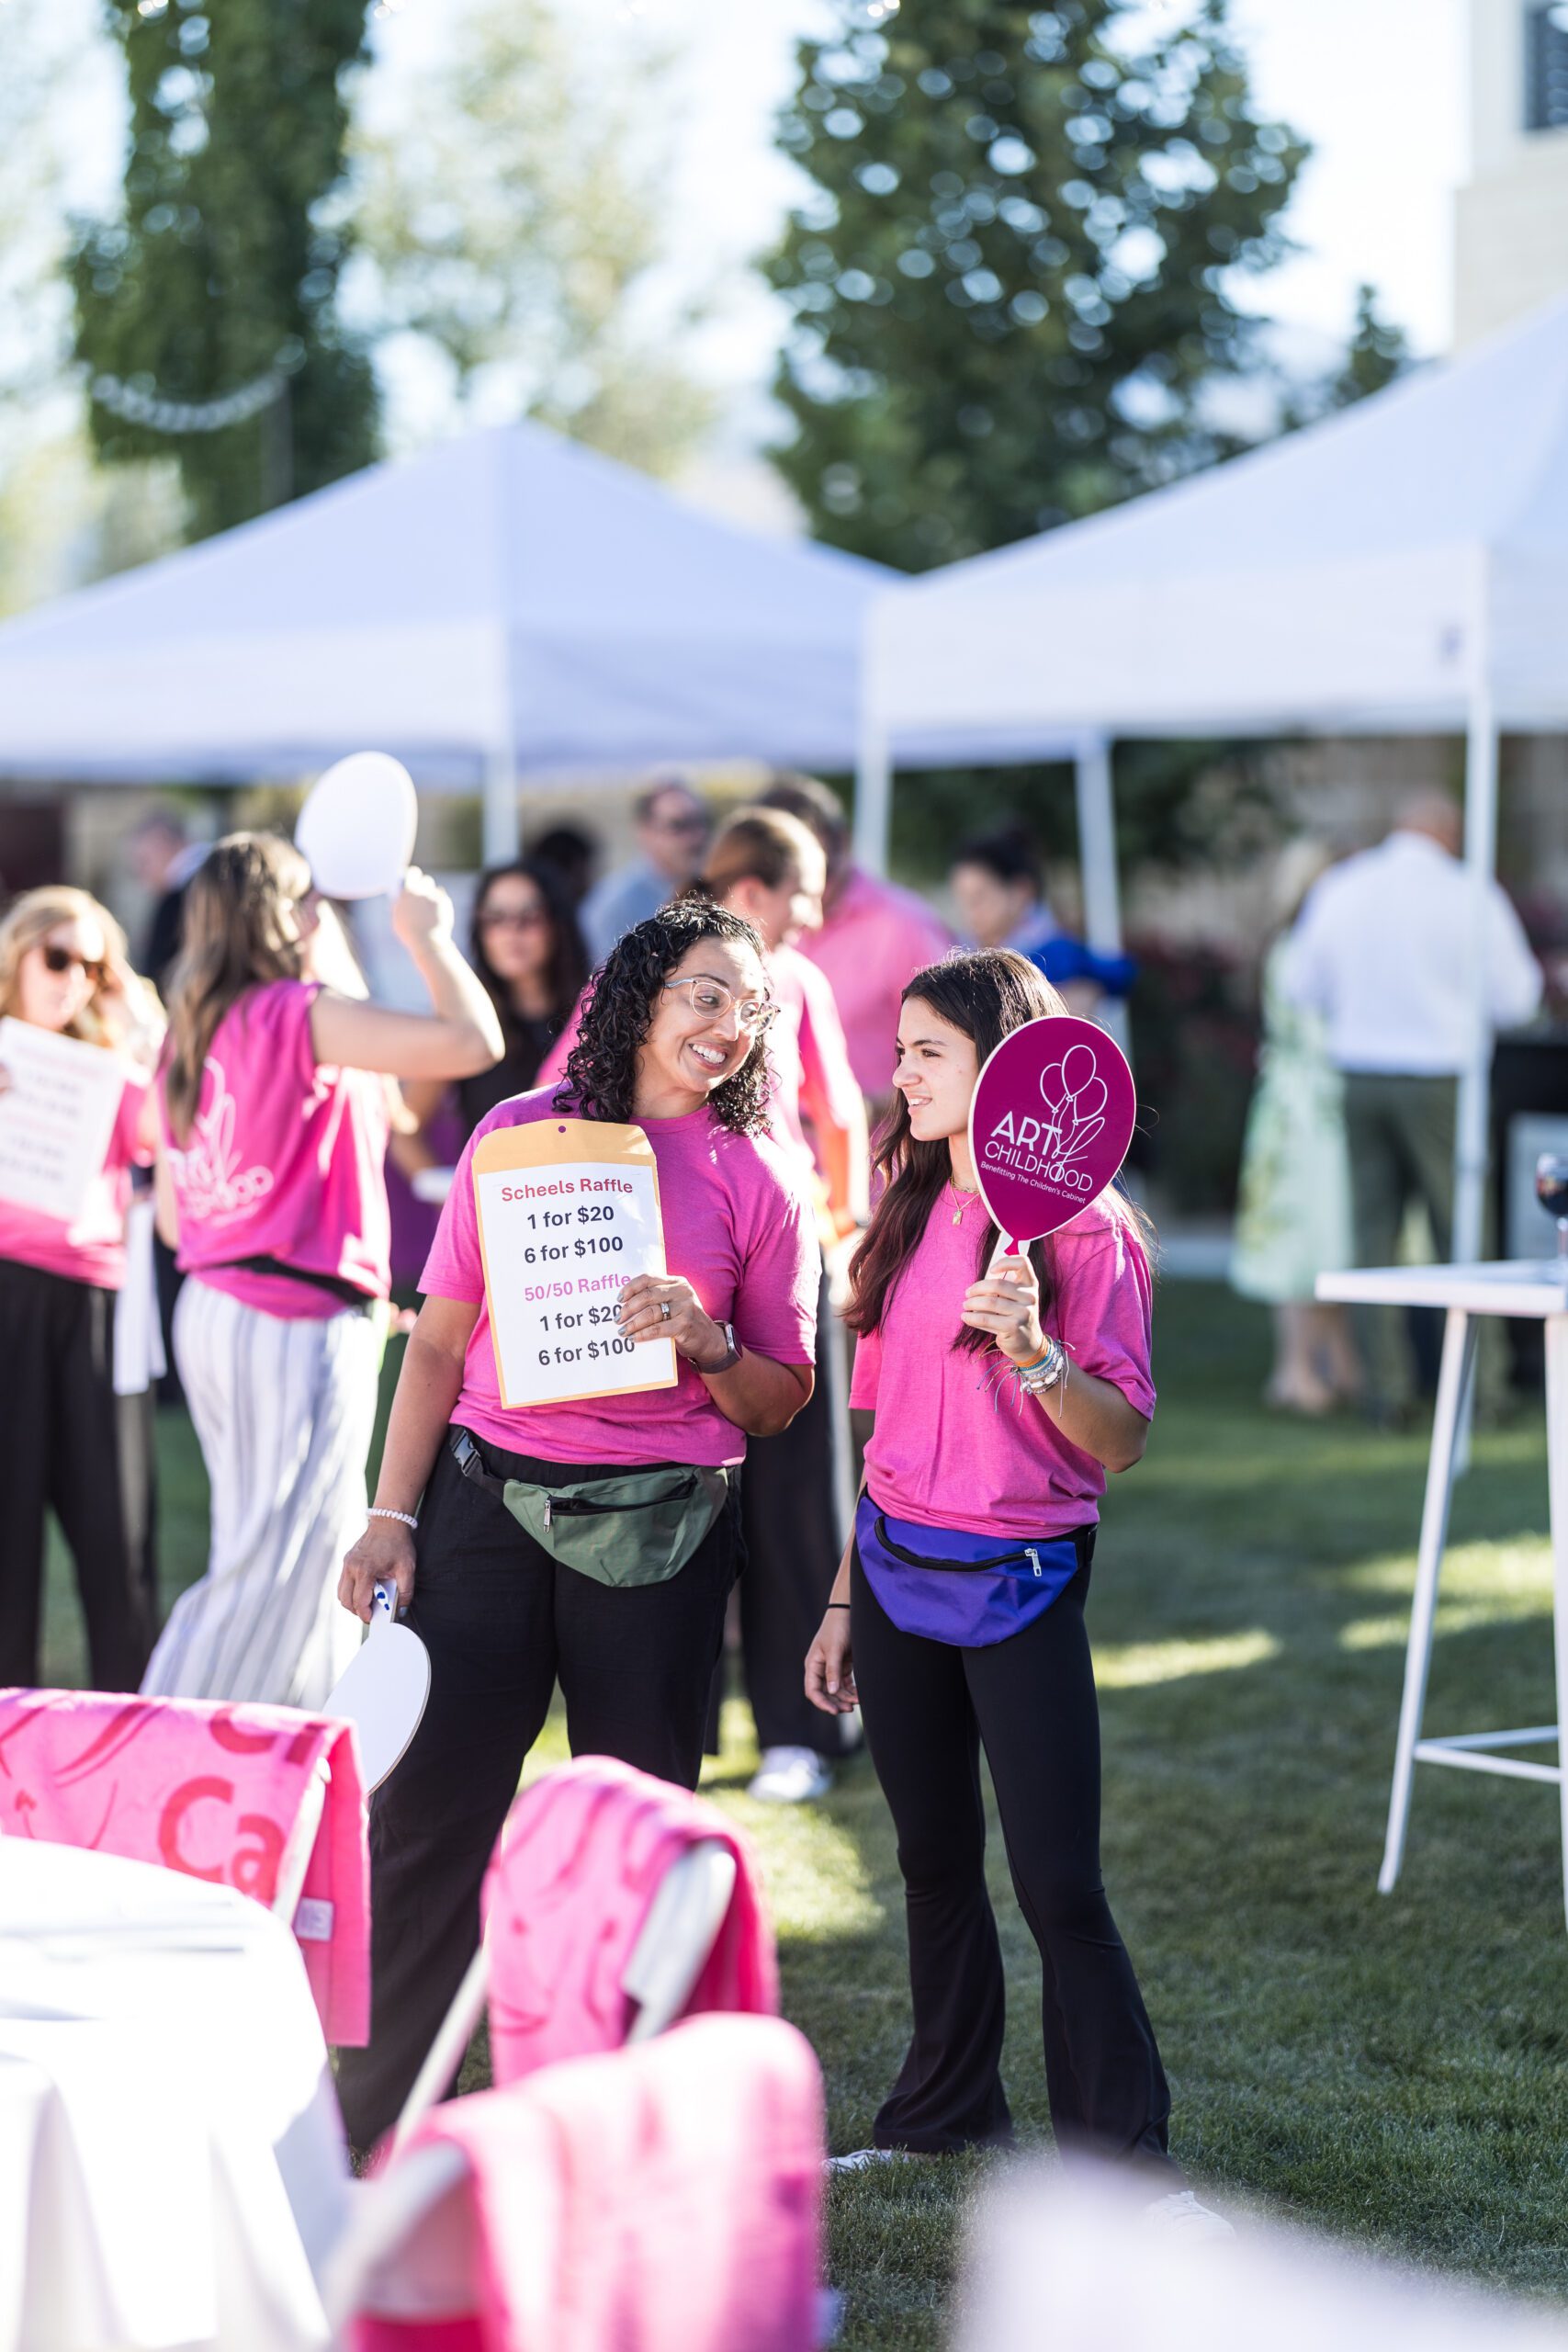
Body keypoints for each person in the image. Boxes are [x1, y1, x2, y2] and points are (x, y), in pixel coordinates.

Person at [332, 899, 820, 2149]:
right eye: (704, 994)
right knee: (430, 1820)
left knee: (634, 1833)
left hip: (660, 1534)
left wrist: (708, 1342)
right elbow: (437, 1342)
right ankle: (379, 2125)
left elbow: (781, 1400)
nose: (728, 1024)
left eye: (748, 1005)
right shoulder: (515, 1135)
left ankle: (612, 2132)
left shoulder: (761, 1174)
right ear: (640, 996)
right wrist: (391, 1513)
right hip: (482, 1509)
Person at [804, 950, 1201, 2211]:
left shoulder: (1090, 1235)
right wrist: (841, 1598)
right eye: (902, 1050)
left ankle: (1123, 2169)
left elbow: (1119, 1440)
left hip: (1020, 1575)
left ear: (1005, 1068)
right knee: (931, 1860)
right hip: (893, 1568)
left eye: (928, 1052)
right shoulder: (909, 1201)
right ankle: (943, 2116)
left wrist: (1033, 1350)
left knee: (1057, 1885)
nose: (900, 1073)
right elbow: (885, 1435)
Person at [143, 835, 504, 1710]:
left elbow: (172, 1214)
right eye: (309, 899)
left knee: (306, 1550)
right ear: (280, 913)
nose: (324, 912)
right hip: (286, 1311)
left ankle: (301, 1745)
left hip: (221, 1302)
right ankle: (160, 1735)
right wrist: (427, 937)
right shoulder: (292, 1011)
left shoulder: (195, 1023)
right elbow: (472, 1040)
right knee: (271, 1559)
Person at [694, 808, 866, 1803]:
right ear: (752, 891)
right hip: (725, 1273)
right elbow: (838, 1120)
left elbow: (838, 1117)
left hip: (748, 1268)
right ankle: (782, 1733)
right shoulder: (785, 973)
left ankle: (779, 1730)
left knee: (772, 1503)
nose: (816, 913)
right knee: (767, 1506)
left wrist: (844, 1234)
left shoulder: (787, 975)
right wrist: (842, 1227)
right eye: (805, 892)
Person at [1284, 791, 1543, 1424]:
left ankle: (1387, 1391)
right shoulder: (1468, 892)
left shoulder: (1344, 886)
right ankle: (1483, 1389)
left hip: (1360, 1073)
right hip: (1439, 1080)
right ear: (1448, 833)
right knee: (1462, 1230)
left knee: (1373, 1234)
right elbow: (1517, 999)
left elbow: (1300, 985)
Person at [0, 888, 165, 1689]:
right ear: (18, 956)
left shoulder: (114, 1072)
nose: (74, 980)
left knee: (116, 1529)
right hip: (6, 1295)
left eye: (93, 967)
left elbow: (175, 1130)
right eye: (59, 958)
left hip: (96, 1301)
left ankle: (128, 1720)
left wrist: (143, 1023)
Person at [1231, 841, 1361, 1414]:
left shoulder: (1291, 945)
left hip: (1297, 1104)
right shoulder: (1303, 949)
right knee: (1301, 1234)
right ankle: (1296, 1369)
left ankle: (1338, 1362)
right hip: (1307, 1111)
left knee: (1327, 1232)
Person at [760, 774, 952, 1117]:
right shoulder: (756, 923)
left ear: (842, 844)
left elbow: (957, 1051)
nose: (807, 901)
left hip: (881, 1145)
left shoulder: (903, 925)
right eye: (782, 874)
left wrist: (871, 1106)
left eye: (814, 868)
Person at [391, 857, 591, 1180]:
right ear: (479, 928)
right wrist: (455, 1199)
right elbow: (404, 1129)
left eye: (529, 917)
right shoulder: (468, 1020)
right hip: (496, 1205)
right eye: (495, 918)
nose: (511, 932)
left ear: (557, 923)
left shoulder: (596, 1013)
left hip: (582, 1203)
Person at [951, 826, 1136, 1016]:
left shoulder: (1055, 955)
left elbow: (1121, 972)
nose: (969, 911)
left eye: (979, 897)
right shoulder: (958, 954)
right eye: (963, 899)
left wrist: (1090, 989)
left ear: (1021, 891)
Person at [580, 777, 711, 966]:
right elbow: (602, 977)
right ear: (646, 832)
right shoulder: (614, 906)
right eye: (678, 825)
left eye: (699, 822)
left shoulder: (712, 886)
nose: (696, 837)